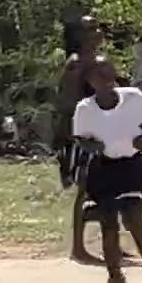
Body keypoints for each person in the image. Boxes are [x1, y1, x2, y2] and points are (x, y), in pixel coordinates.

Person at [71, 58, 142, 283]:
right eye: (99, 74)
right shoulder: (86, 109)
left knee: (134, 218)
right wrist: (95, 146)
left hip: (131, 165)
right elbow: (80, 139)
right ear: (91, 81)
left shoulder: (133, 98)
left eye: (109, 71)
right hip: (103, 168)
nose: (106, 77)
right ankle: (116, 282)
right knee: (109, 225)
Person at [56, 15, 104, 264]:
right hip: (81, 135)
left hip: (99, 132)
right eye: (91, 29)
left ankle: (109, 241)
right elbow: (69, 105)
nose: (98, 32)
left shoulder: (97, 62)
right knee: (84, 188)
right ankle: (78, 248)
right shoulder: (76, 64)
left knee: (108, 187)